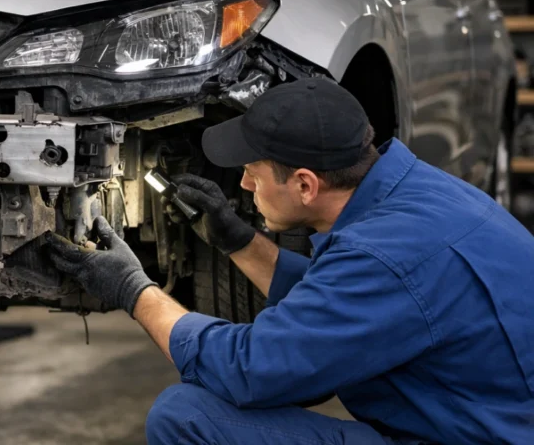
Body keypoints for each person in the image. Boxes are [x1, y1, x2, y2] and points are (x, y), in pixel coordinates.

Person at [48, 79, 534, 444]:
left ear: (305, 185)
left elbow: (253, 369)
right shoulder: (412, 194)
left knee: (188, 417)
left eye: (252, 173)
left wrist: (136, 291)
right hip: (483, 420)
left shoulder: (383, 257)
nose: (243, 186)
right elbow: (347, 303)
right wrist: (238, 240)